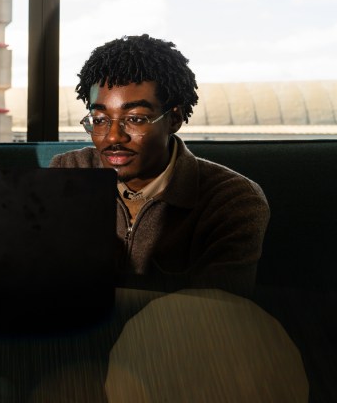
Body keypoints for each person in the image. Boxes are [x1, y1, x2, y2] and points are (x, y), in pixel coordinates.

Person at [50, 34, 269, 296]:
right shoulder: (69, 171)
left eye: (135, 118)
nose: (113, 137)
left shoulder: (232, 199)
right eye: (99, 119)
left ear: (174, 119)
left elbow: (215, 313)